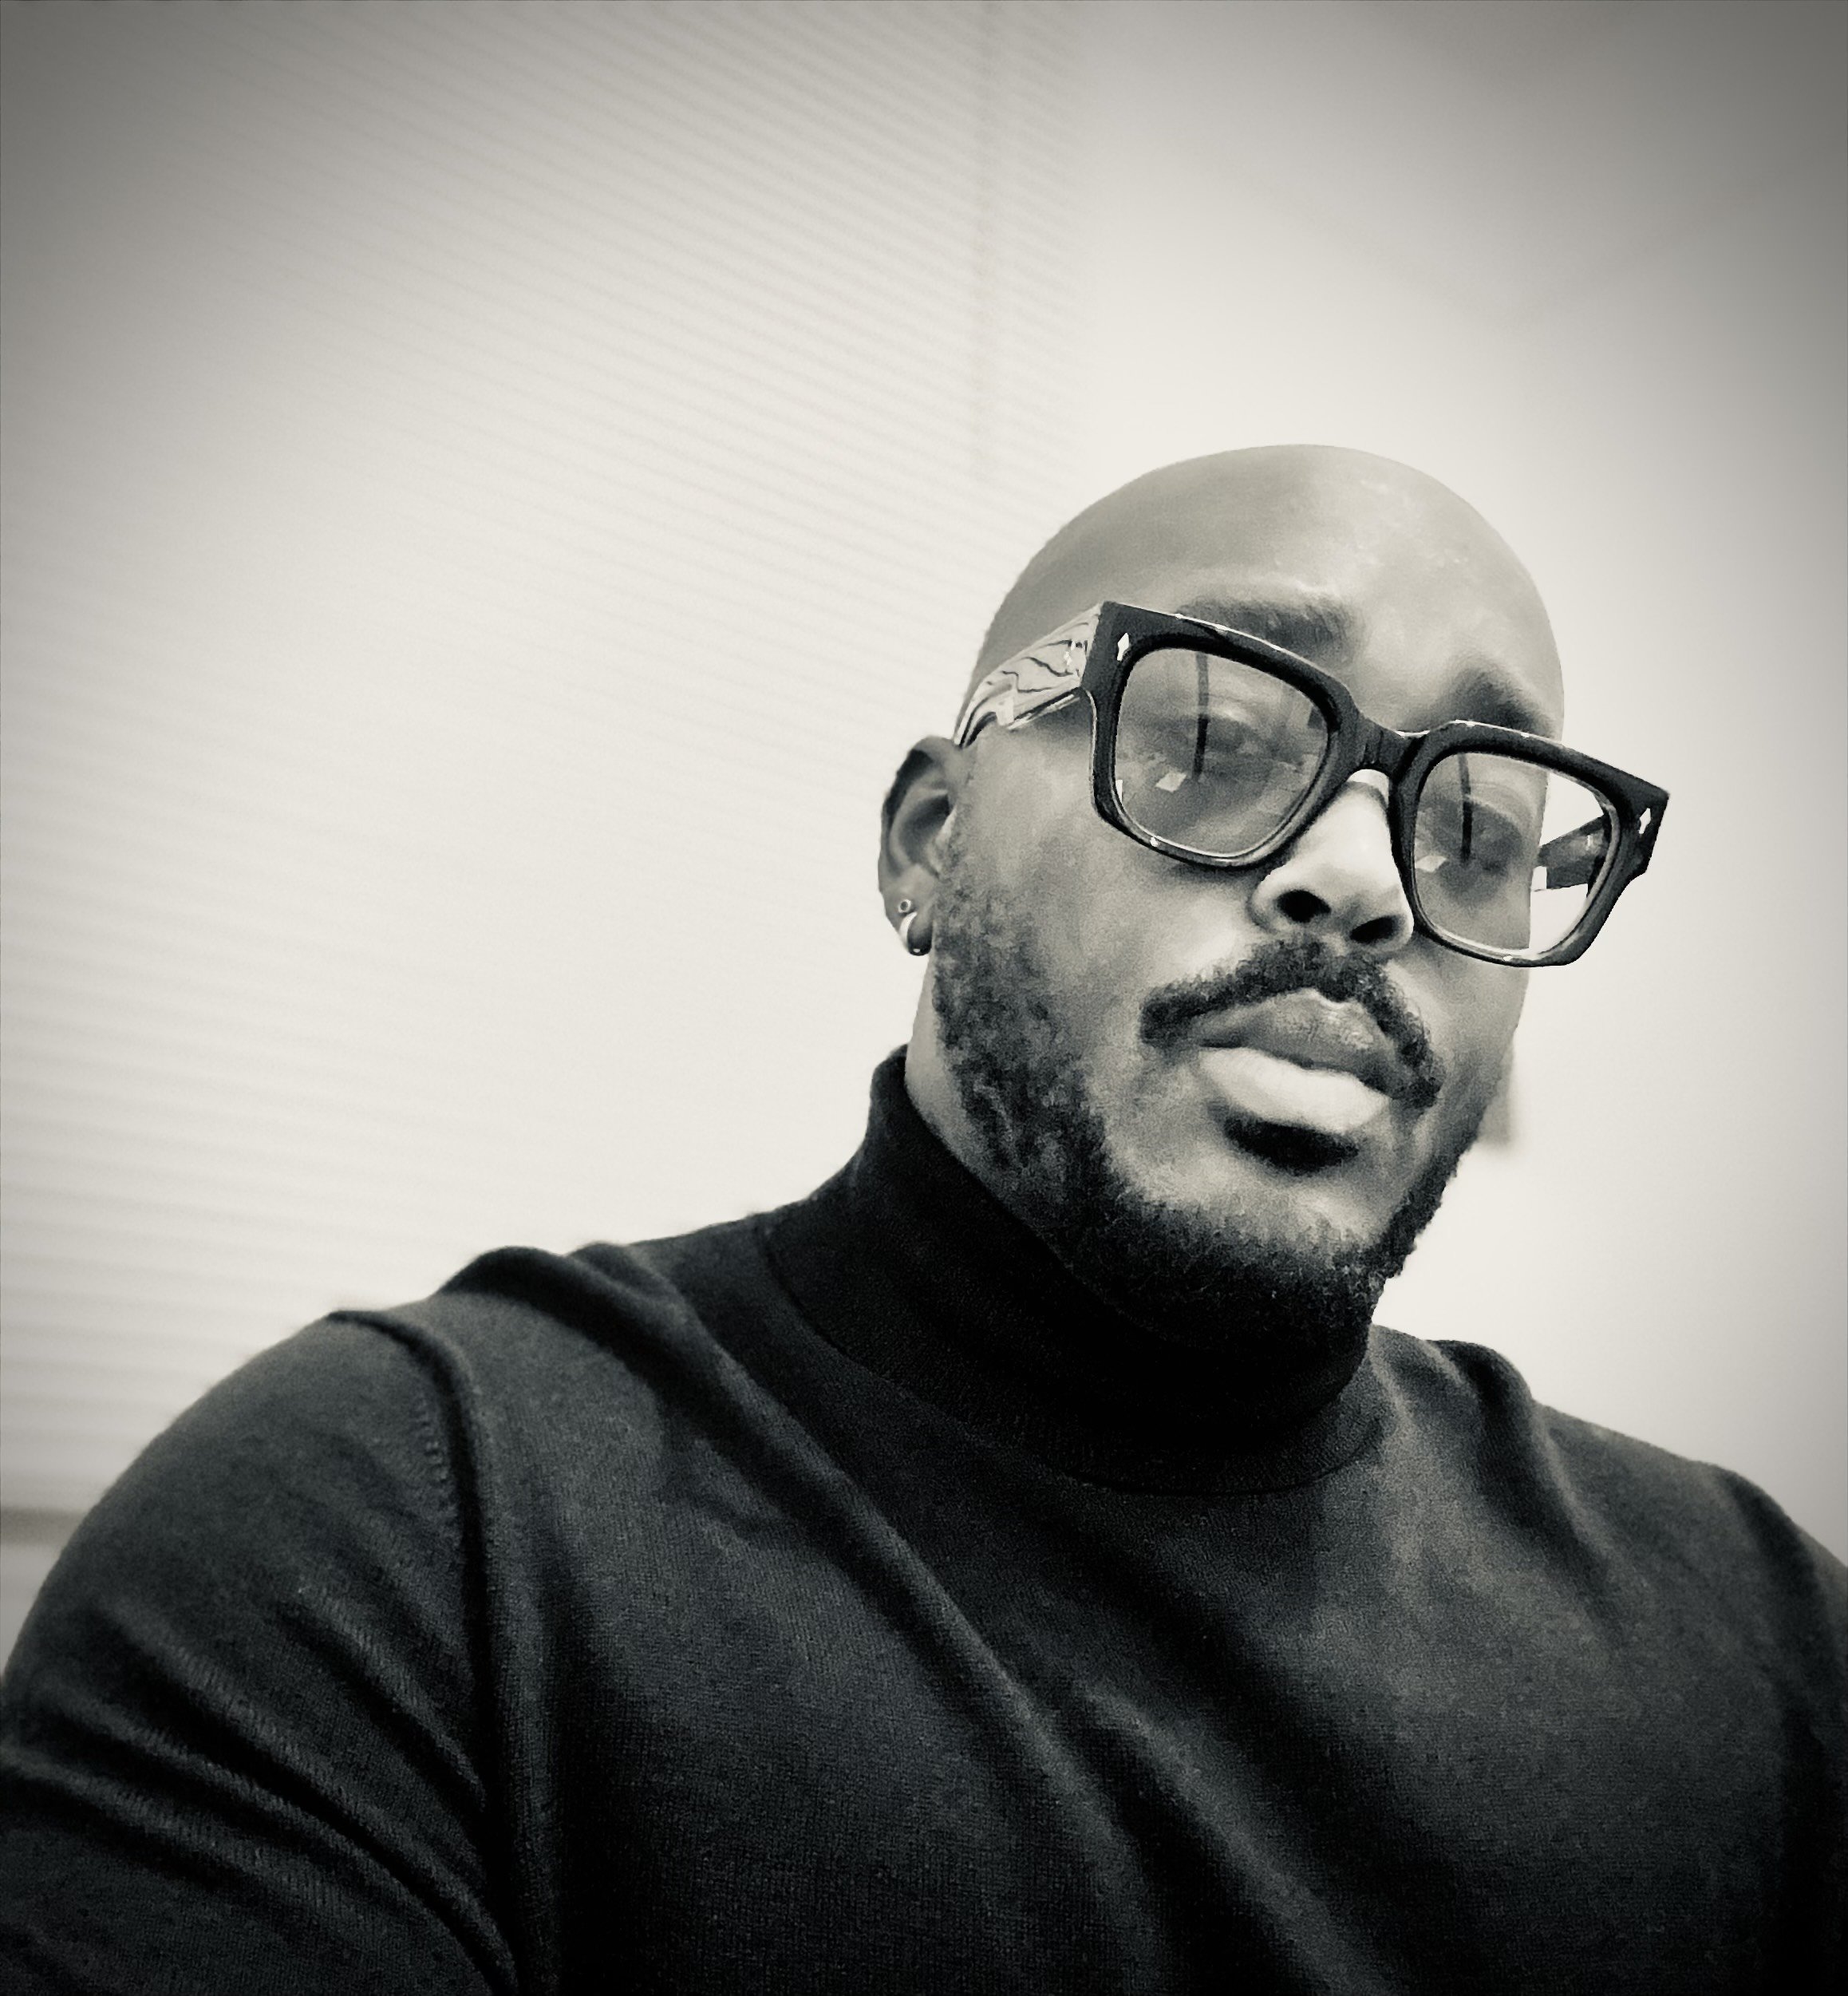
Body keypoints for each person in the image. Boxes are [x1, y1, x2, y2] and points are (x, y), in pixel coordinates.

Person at [1, 447, 1840, 1994]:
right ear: (927, 842)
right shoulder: (394, 1538)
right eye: (1213, 731)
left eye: (1484, 835)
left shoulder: (1761, 1646)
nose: (1361, 882)